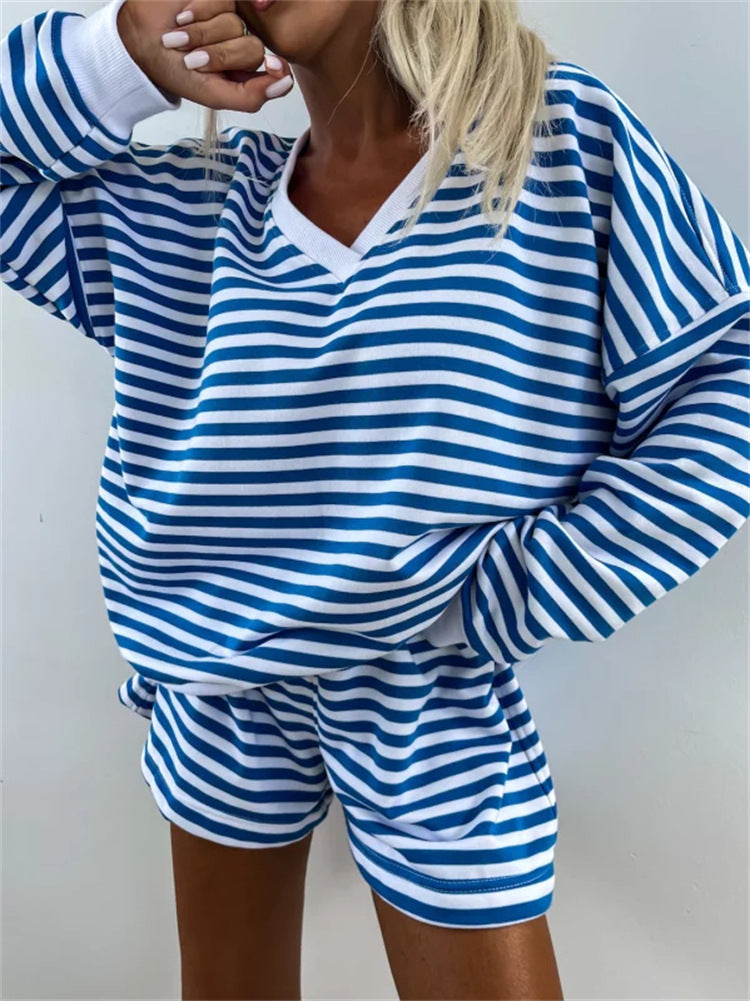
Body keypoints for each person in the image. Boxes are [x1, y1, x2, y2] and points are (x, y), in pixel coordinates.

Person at [2, 0, 748, 997]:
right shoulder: (196, 206)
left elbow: (727, 372)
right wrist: (123, 52)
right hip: (218, 685)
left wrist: (519, 590)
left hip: (429, 690)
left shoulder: (553, 142)